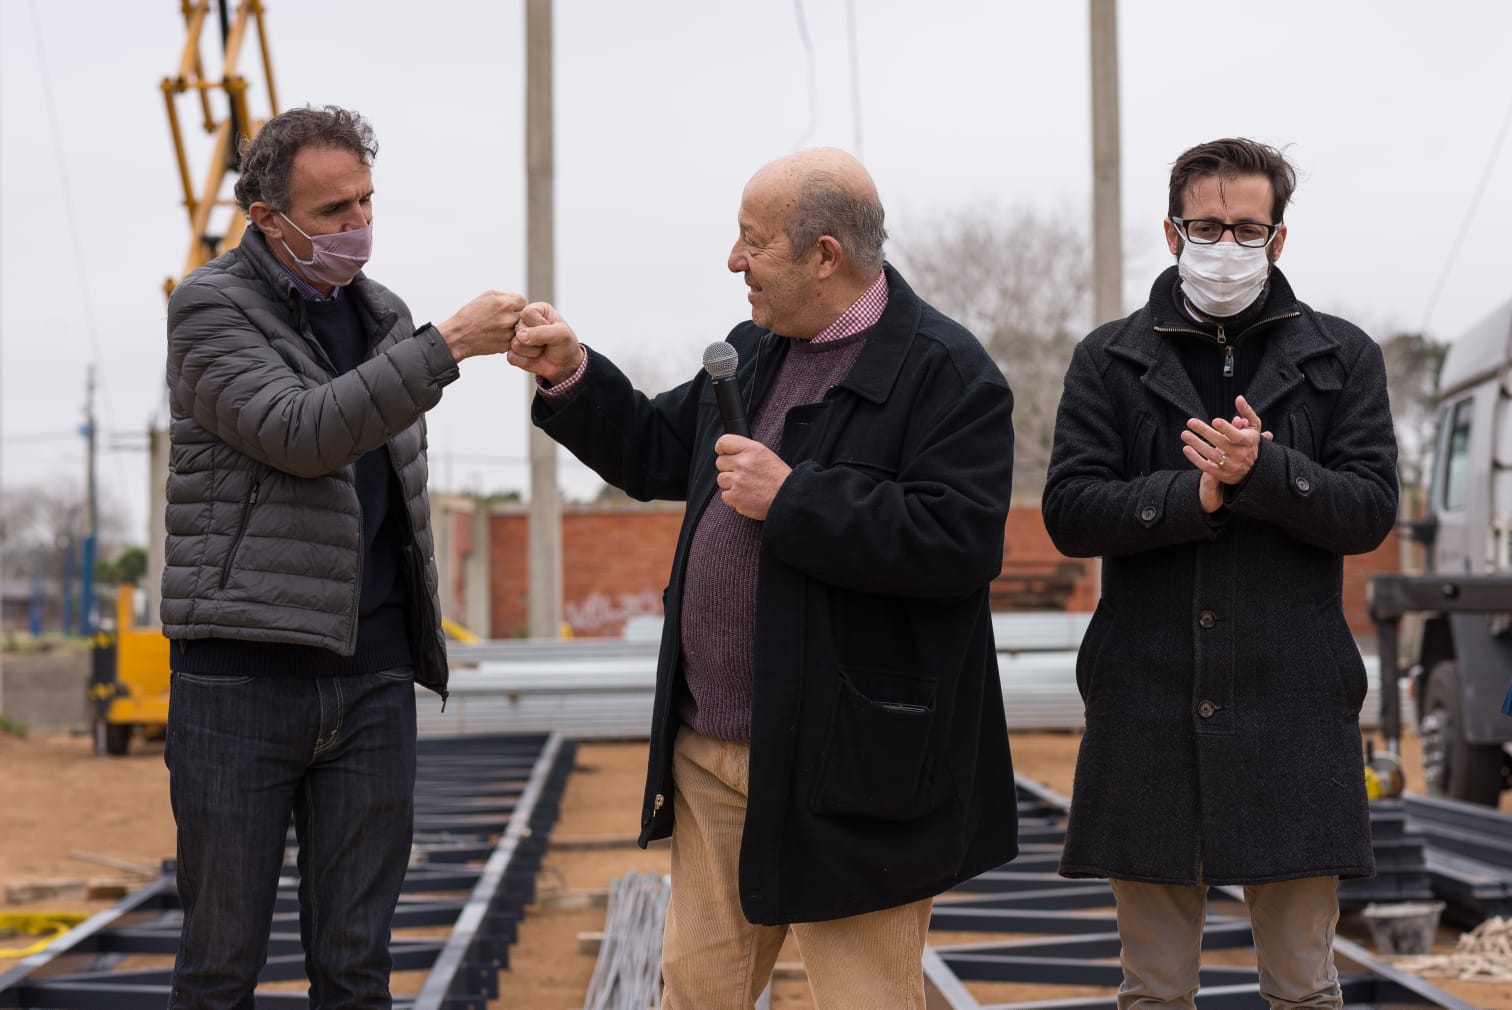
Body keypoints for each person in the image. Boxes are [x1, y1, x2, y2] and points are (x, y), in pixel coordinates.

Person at [506, 147, 1019, 1010]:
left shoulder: (947, 374)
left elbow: (957, 542)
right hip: (713, 757)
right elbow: (656, 449)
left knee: (864, 1000)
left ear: (825, 254)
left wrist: (794, 499)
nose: (733, 261)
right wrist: (571, 372)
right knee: (697, 994)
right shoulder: (755, 351)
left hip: (851, 771)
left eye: (753, 242)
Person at [160, 105, 525, 1009]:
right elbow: (301, 432)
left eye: (366, 202)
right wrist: (446, 348)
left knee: (358, 967)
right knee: (221, 963)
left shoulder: (383, 314)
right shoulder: (208, 310)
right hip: (241, 683)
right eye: (332, 212)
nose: (357, 226)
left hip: (370, 678)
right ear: (264, 217)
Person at [1042, 137, 1399, 1009]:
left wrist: (1265, 473)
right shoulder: (1109, 359)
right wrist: (1193, 495)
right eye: (1207, 225)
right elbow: (1070, 509)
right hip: (1147, 710)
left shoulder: (1342, 359)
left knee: (1304, 988)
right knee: (1154, 992)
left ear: (1278, 239)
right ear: (1173, 232)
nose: (1226, 244)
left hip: (1294, 710)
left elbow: (1368, 509)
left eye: (1247, 228)